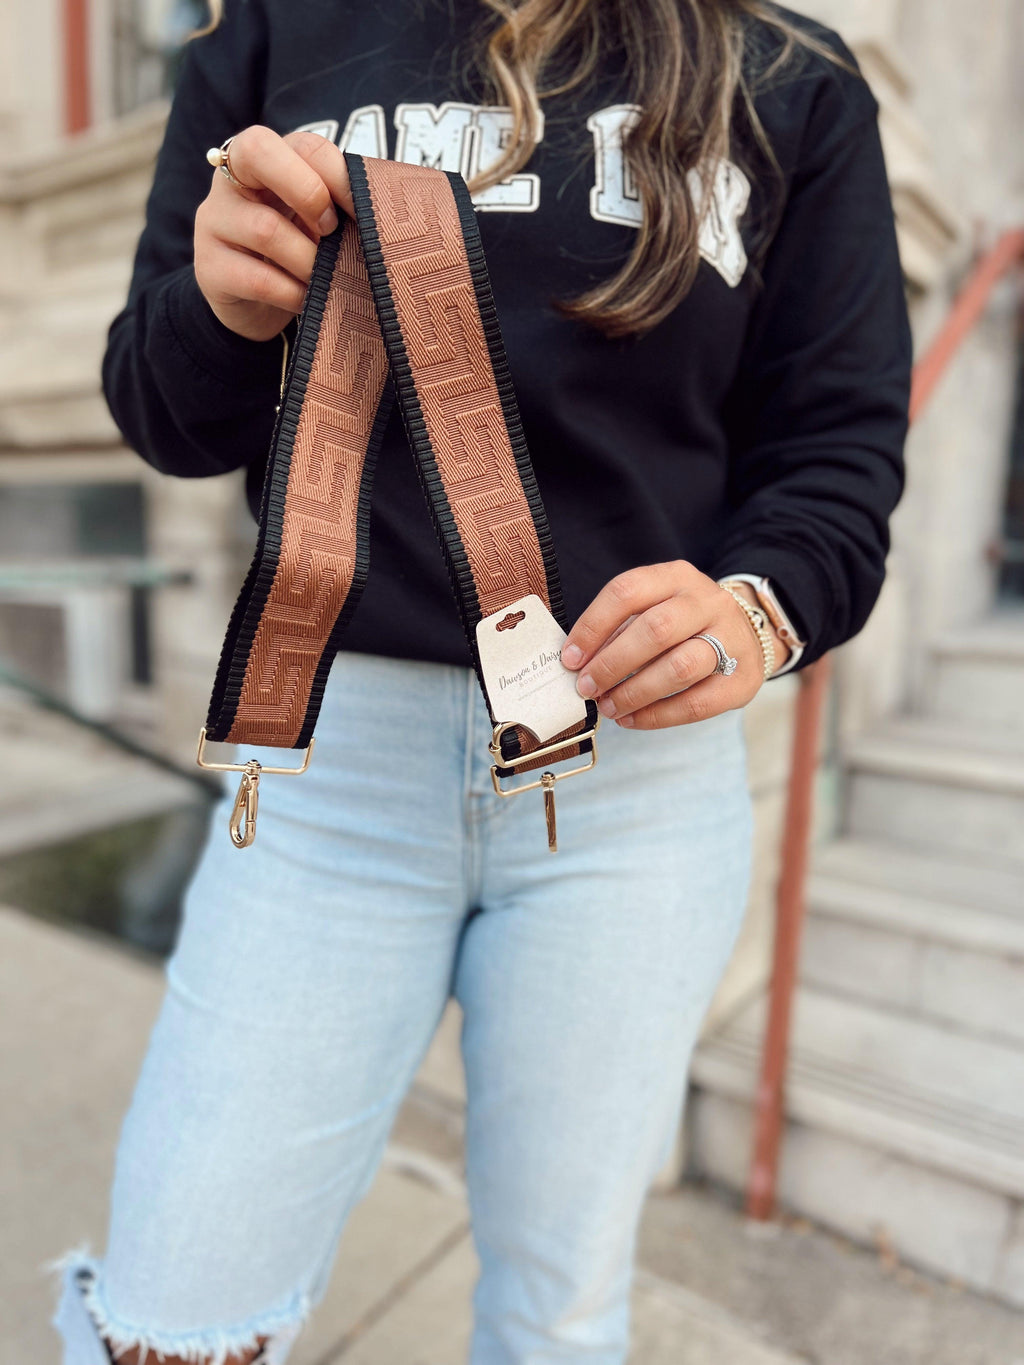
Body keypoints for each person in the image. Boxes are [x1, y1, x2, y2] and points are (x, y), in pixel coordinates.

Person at [53, 0, 912, 1361]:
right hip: (334, 772)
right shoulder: (283, 26)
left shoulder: (787, 74)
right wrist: (217, 306)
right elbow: (164, 414)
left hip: (629, 789)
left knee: (558, 1312)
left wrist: (753, 613)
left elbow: (837, 454)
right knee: (170, 1317)